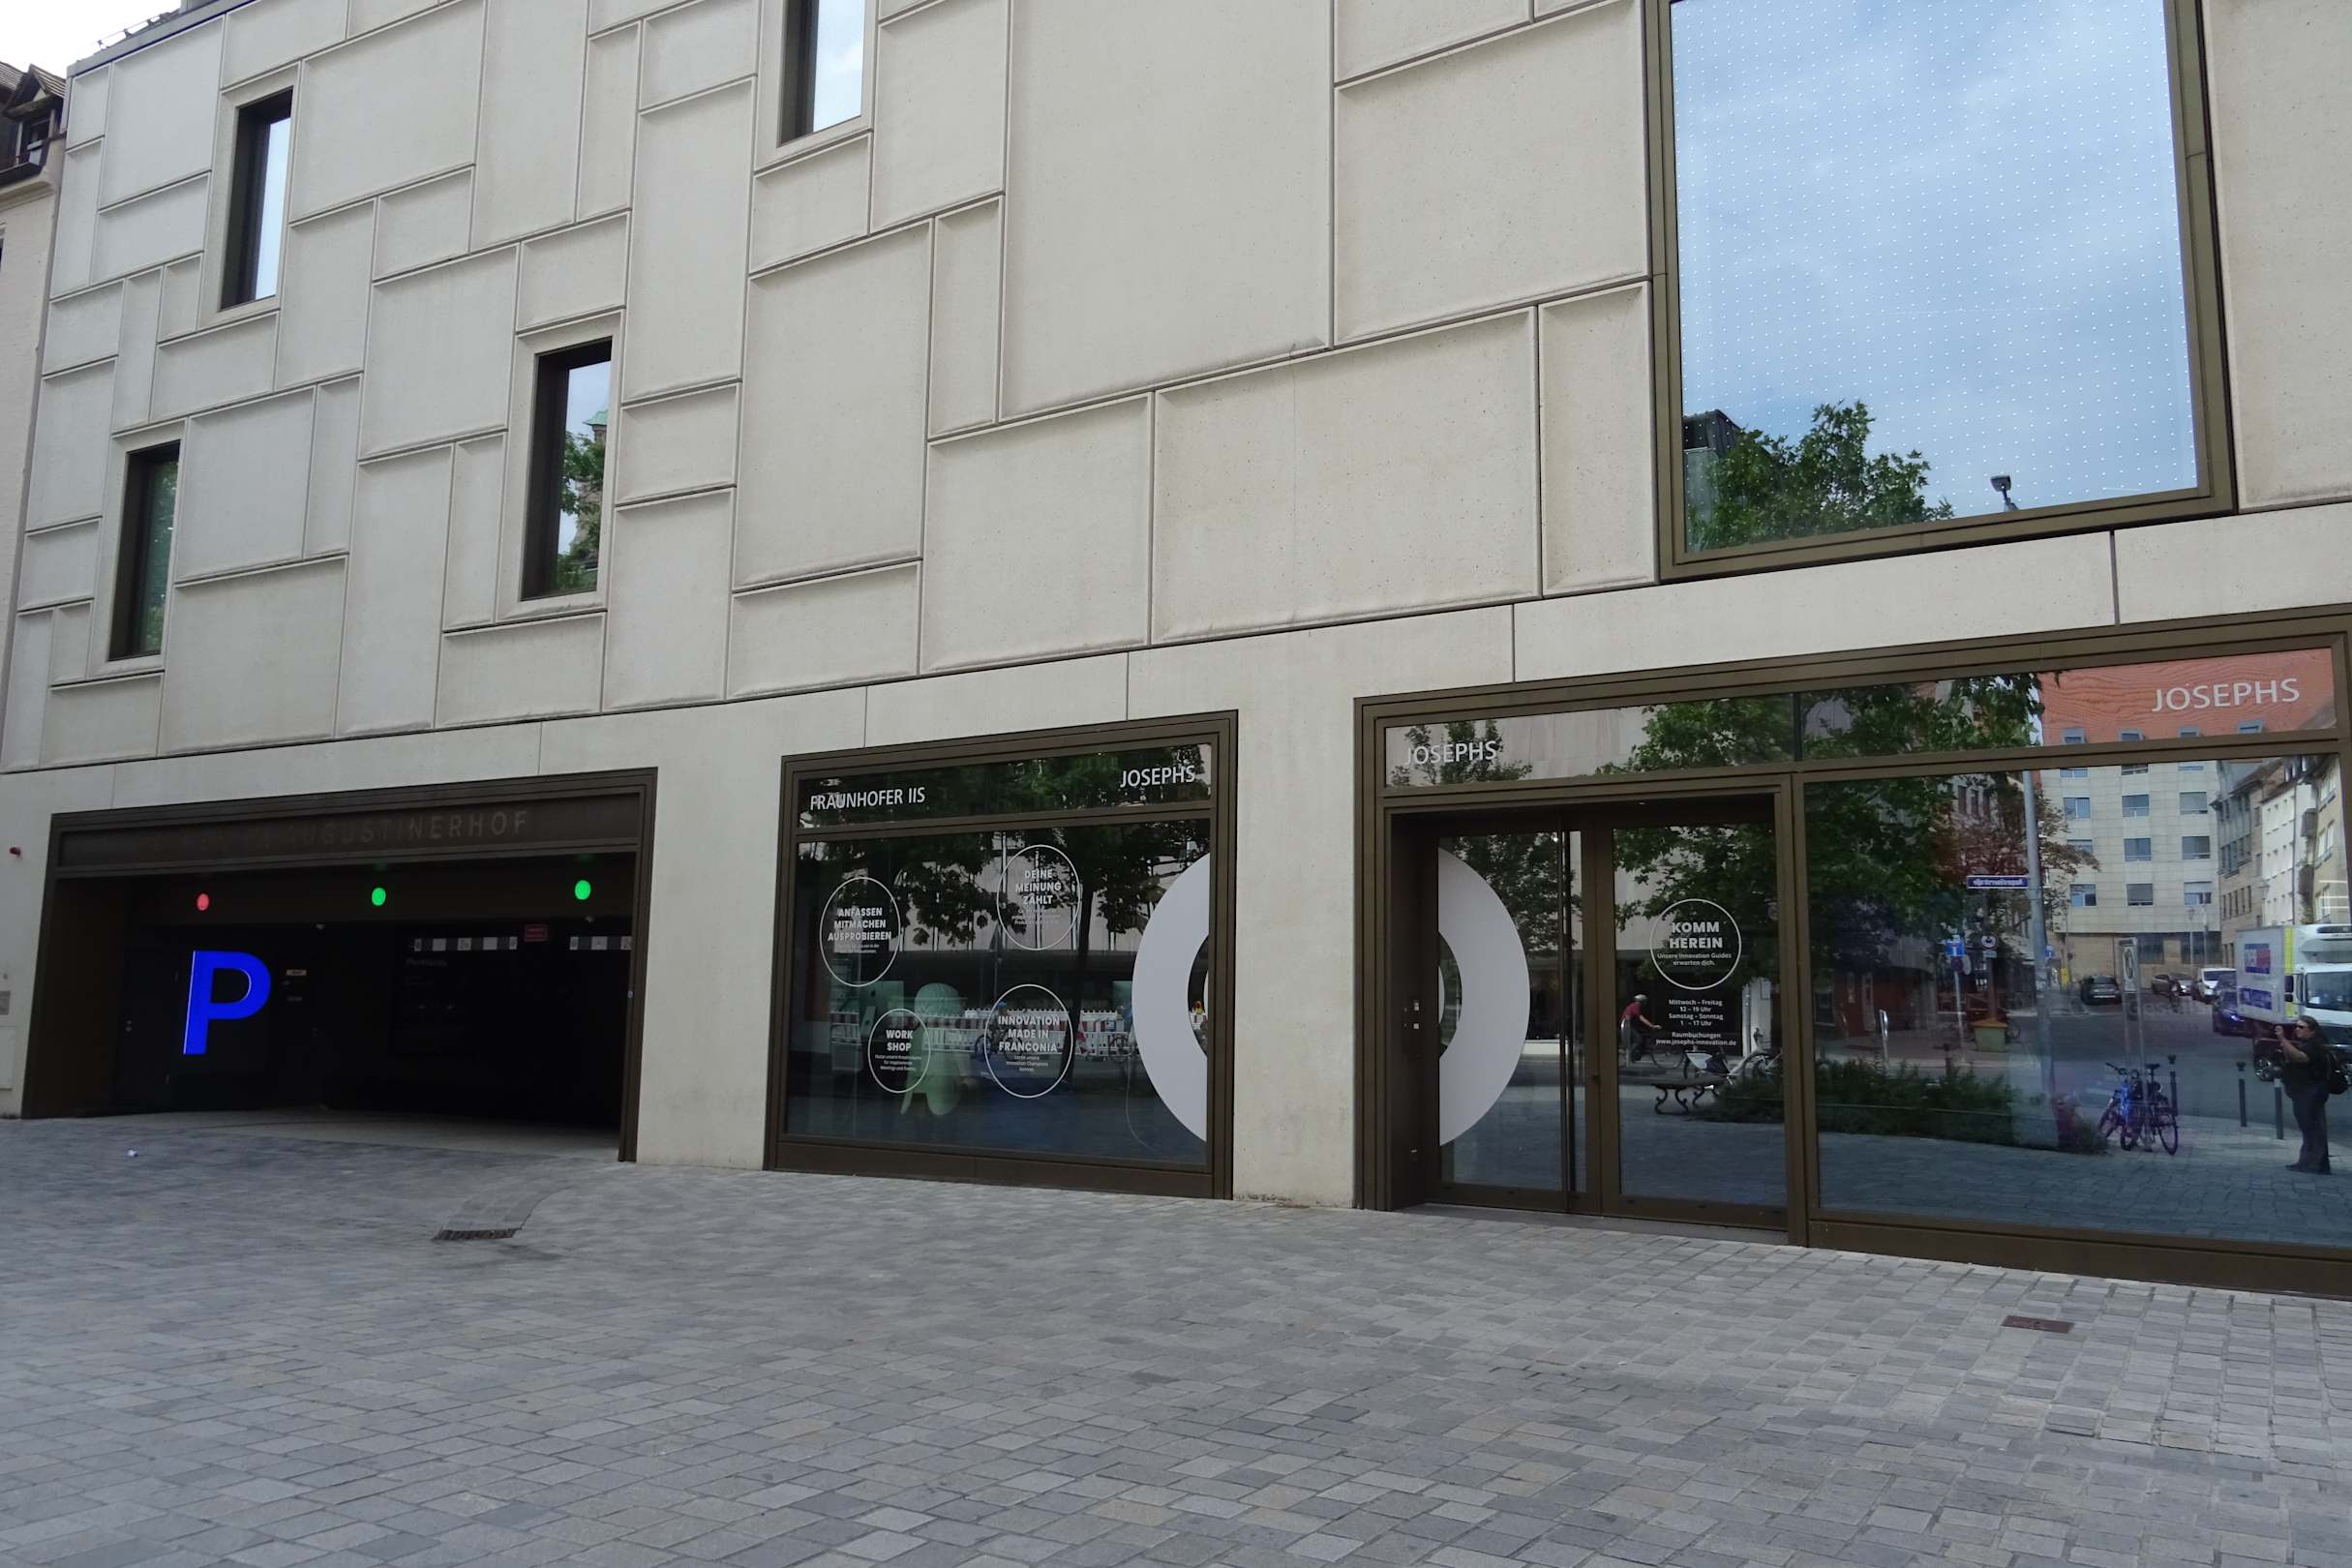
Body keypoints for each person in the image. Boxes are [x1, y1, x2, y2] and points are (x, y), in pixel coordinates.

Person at [2277, 1014, 2337, 1175]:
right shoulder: (2307, 1044)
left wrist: (2282, 1039)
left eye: (2301, 1027)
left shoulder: (2315, 1046)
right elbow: (2293, 1057)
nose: (2297, 1029)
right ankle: (2308, 1162)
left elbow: (2300, 1057)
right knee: (2308, 1128)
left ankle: (2315, 1164)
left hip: (2312, 1090)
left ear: (2312, 1031)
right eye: (2296, 1026)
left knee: (2313, 1128)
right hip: (2306, 1090)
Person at [1619, 994, 1662, 1062]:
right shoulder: (1636, 1006)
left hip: (1630, 1024)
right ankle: (1629, 1053)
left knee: (1643, 1033)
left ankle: (1636, 1053)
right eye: (1645, 1001)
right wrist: (1652, 1026)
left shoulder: (1634, 1006)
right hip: (1627, 1025)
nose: (1646, 1003)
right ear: (1642, 1001)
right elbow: (1641, 1018)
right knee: (1638, 1040)